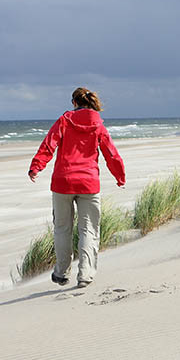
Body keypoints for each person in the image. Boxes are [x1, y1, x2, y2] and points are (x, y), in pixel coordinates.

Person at [28, 87, 126, 288]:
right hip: (89, 183)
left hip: (63, 182)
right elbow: (110, 153)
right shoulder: (98, 125)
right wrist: (120, 176)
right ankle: (85, 274)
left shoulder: (64, 121)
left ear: (74, 103)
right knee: (89, 229)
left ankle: (61, 273)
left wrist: (36, 166)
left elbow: (49, 145)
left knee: (62, 229)